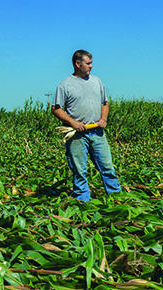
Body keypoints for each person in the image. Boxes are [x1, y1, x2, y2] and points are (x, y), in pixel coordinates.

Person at [51, 50, 121, 202]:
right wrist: (73, 122)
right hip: (76, 135)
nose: (91, 66)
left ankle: (116, 198)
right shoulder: (65, 85)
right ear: (78, 64)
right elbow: (56, 109)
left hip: (97, 132)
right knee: (79, 171)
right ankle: (83, 202)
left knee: (107, 167)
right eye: (88, 63)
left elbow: (105, 103)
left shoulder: (97, 81)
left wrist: (103, 118)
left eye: (91, 63)